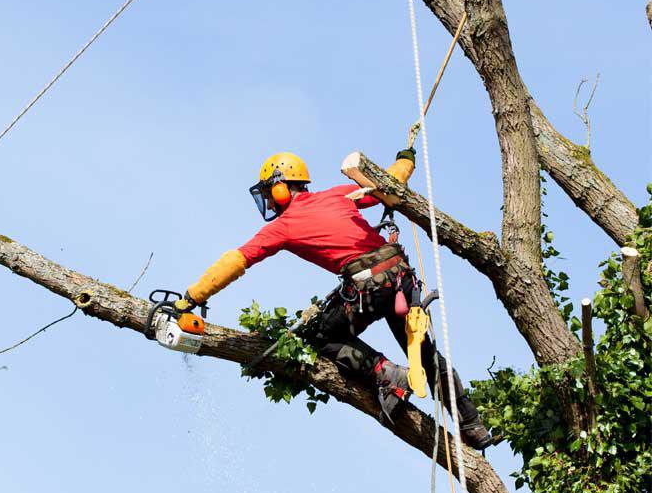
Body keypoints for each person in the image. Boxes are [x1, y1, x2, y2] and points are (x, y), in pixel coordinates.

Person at [175, 151, 492, 449]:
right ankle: (472, 425)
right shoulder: (339, 194)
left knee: (321, 337)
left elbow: (236, 260)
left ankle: (386, 373)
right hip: (400, 278)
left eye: (270, 192)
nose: (270, 201)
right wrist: (405, 160)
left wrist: (191, 297)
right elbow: (388, 182)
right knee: (424, 354)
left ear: (282, 188)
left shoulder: (282, 227)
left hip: (369, 287)